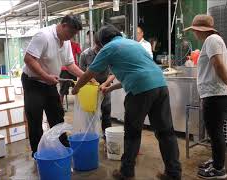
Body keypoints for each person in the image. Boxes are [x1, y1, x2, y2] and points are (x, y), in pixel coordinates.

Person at [72, 25, 182, 180]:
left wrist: (76, 87)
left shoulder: (108, 48)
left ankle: (126, 172)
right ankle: (174, 173)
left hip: (140, 91)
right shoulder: (133, 44)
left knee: (132, 133)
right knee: (165, 132)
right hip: (160, 85)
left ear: (102, 41)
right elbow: (136, 73)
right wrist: (109, 88)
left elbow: (90, 72)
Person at [184, 14, 227, 179]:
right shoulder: (215, 40)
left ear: (200, 30)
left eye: (194, 30)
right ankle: (216, 161)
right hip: (215, 94)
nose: (194, 33)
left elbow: (217, 63)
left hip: (215, 95)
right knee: (215, 131)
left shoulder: (211, 40)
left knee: (215, 132)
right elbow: (217, 64)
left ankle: (218, 169)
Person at [21, 15, 85, 157]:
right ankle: (38, 154)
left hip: (49, 82)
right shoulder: (43, 36)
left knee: (57, 116)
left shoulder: (66, 41)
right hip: (33, 82)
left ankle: (64, 149)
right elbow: (28, 59)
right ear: (63, 25)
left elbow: (70, 64)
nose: (72, 37)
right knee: (35, 119)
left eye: (75, 34)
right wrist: (46, 76)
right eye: (71, 33)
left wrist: (85, 76)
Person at [79, 33, 115, 139]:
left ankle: (107, 137)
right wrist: (90, 79)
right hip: (90, 89)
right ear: (96, 43)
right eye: (100, 47)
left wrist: (105, 84)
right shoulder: (85, 55)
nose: (102, 50)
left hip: (105, 87)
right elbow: (81, 73)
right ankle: (90, 137)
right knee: (90, 115)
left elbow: (112, 73)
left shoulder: (109, 54)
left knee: (106, 113)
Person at [59, 39, 82, 105]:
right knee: (63, 88)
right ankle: (60, 105)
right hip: (64, 69)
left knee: (76, 86)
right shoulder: (61, 43)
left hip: (73, 68)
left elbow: (80, 54)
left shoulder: (75, 44)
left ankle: (79, 103)